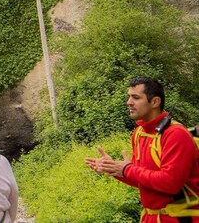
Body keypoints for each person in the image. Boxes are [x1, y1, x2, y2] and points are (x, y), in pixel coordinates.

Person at [85, 76, 199, 222]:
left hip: (179, 218)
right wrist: (114, 169)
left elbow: (171, 183)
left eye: (136, 97)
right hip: (150, 217)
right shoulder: (139, 133)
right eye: (129, 97)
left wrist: (127, 169)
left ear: (155, 102)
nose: (128, 102)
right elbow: (143, 180)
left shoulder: (175, 134)